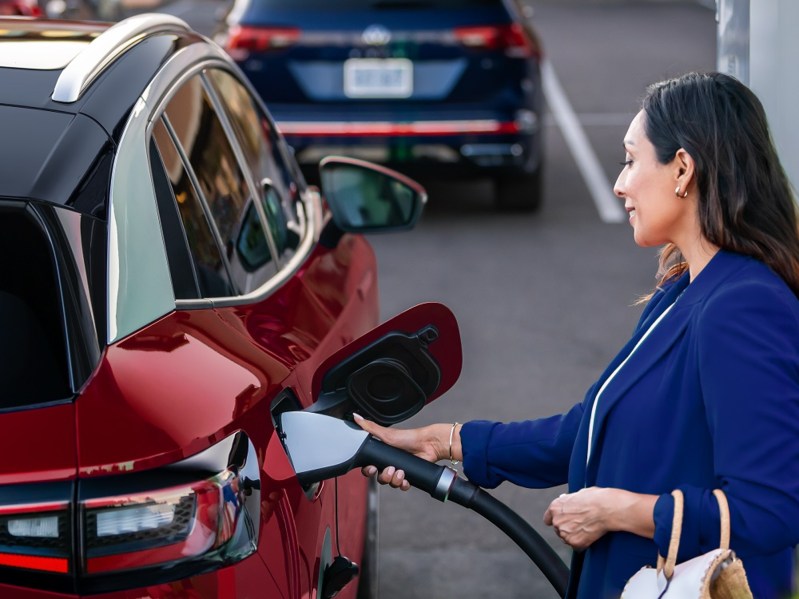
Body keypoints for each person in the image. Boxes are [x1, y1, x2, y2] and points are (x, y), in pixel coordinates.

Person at [354, 71, 799, 599]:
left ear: (683, 169)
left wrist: (620, 511)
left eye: (631, 160)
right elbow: (588, 432)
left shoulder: (744, 305)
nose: (620, 183)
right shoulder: (684, 289)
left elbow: (770, 509)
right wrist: (446, 441)